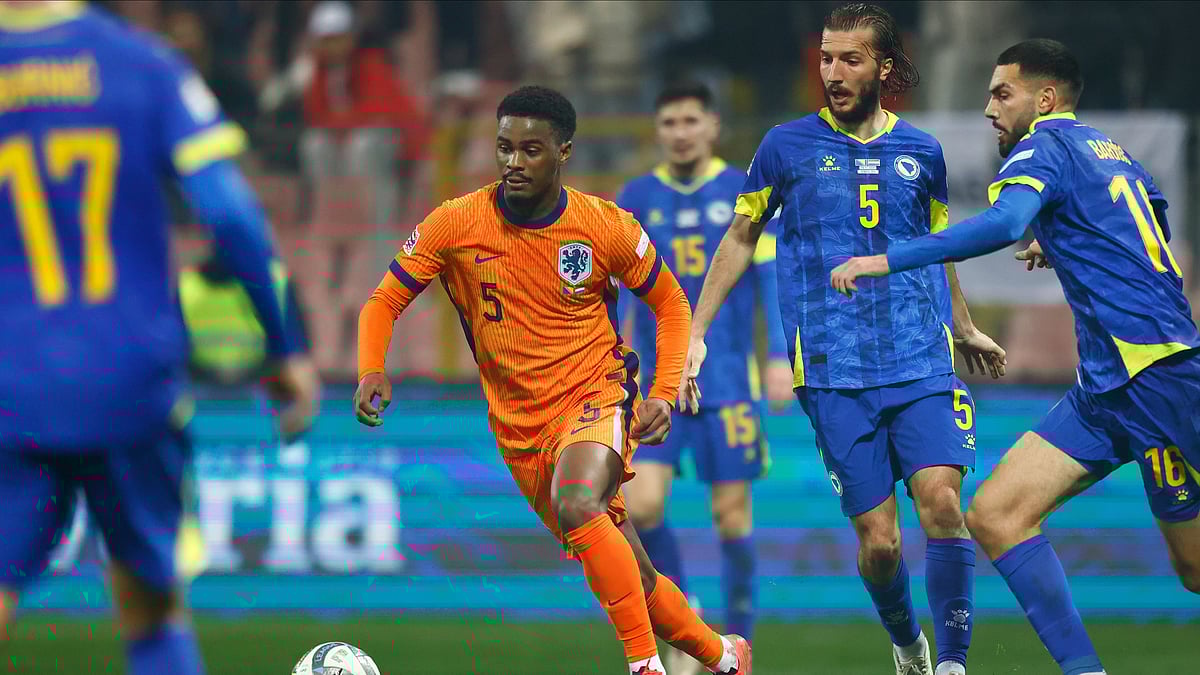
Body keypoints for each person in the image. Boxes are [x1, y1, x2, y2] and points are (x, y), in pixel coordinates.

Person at [832, 38, 1200, 675]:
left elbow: (1002, 225)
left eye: (1003, 93)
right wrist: (1061, 240)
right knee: (996, 514)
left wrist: (884, 258)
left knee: (1194, 569)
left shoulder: (1044, 145)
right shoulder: (1109, 152)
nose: (989, 108)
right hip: (1108, 390)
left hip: (1159, 376)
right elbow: (1152, 221)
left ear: (1046, 99)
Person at [354, 85, 750, 675]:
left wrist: (664, 392)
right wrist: (372, 367)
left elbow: (670, 303)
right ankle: (724, 656)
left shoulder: (604, 225)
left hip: (596, 393)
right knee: (632, 573)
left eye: (531, 150)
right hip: (519, 426)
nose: (514, 162)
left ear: (563, 152)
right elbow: (383, 300)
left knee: (577, 498)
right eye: (504, 148)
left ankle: (643, 664)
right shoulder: (455, 223)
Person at [684, 4, 1008, 675]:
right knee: (881, 543)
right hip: (832, 367)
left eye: (850, 59)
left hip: (920, 355)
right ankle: (907, 642)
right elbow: (741, 237)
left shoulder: (923, 152)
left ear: (884, 66)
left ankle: (951, 662)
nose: (833, 72)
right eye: (827, 58)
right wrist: (696, 331)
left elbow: (937, 247)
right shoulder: (784, 147)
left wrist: (963, 320)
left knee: (943, 501)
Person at [0, 2, 318, 675]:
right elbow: (231, 215)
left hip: (10, 384)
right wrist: (285, 343)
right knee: (150, 604)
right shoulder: (142, 65)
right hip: (129, 381)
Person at [616, 80, 791, 673]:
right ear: (657, 131)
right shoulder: (636, 196)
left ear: (712, 126)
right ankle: (686, 616)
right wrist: (615, 360)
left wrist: (778, 359)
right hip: (658, 384)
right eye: (669, 123)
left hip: (728, 383)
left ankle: (738, 648)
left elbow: (768, 275)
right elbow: (615, 292)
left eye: (690, 121)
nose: (680, 132)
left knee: (732, 517)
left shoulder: (741, 189)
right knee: (642, 507)